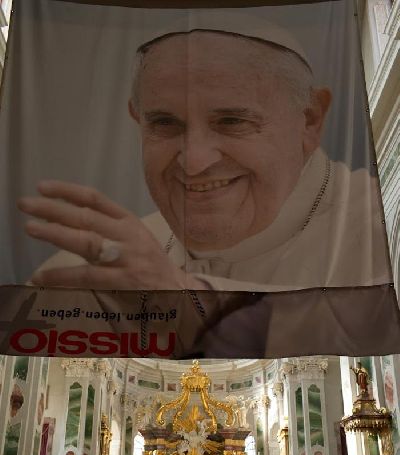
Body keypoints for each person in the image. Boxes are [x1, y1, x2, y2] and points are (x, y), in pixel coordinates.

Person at [18, 13, 390, 295]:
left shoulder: (380, 230)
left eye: (232, 121)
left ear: (309, 120)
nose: (194, 162)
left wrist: (179, 291)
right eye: (165, 123)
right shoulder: (86, 269)